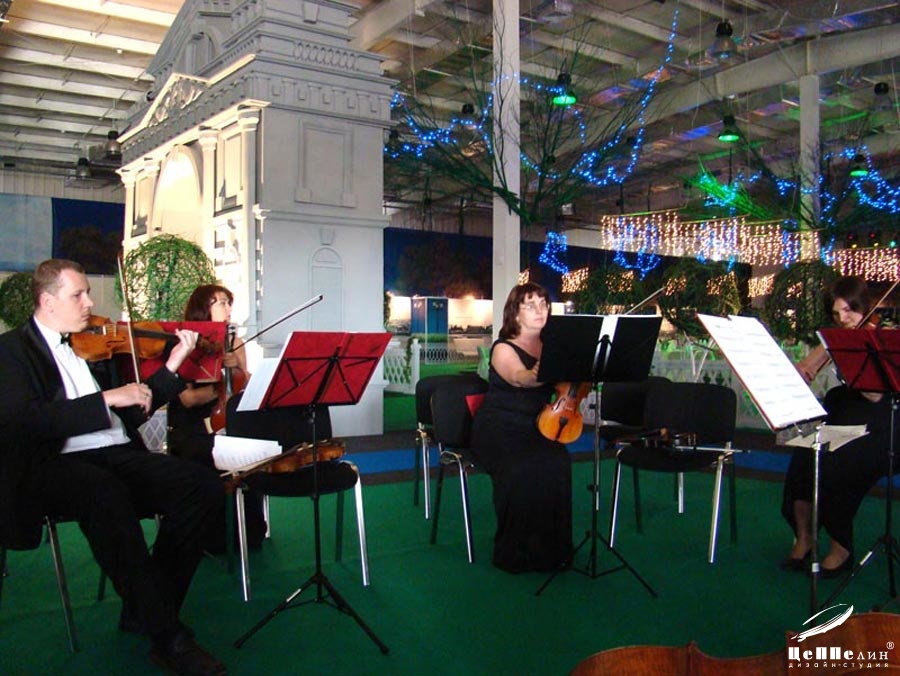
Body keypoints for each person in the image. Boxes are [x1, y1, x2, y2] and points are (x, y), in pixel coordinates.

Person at [0, 259, 226, 676]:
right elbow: (25, 422)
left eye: (88, 293)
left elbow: (133, 410)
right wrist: (106, 398)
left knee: (202, 485)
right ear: (48, 302)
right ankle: (169, 638)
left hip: (117, 452)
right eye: (78, 295)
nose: (90, 303)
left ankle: (147, 607)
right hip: (57, 463)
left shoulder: (93, 346)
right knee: (105, 493)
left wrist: (173, 363)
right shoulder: (11, 351)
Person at [781, 275, 894, 577]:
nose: (843, 319)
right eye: (836, 313)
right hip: (846, 414)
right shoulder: (838, 337)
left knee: (837, 462)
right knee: (805, 454)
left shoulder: (882, 337)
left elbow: (875, 394)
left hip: (882, 422)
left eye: (848, 310)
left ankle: (841, 544)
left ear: (863, 306)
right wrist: (803, 370)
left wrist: (848, 355)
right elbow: (806, 370)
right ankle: (805, 537)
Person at [470, 282, 573, 573]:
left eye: (543, 304)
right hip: (498, 426)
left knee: (558, 462)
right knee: (519, 468)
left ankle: (552, 551)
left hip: (537, 425)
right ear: (515, 313)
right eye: (530, 305)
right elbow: (520, 377)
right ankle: (514, 552)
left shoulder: (553, 345)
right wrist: (539, 371)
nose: (540, 310)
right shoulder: (503, 347)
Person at [166, 284, 266, 550]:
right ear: (203, 309)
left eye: (229, 302)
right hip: (193, 427)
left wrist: (238, 368)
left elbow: (244, 386)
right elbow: (187, 399)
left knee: (253, 449)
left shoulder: (235, 342)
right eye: (221, 302)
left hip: (226, 421)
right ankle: (208, 535)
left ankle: (248, 531)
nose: (228, 307)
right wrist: (219, 384)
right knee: (205, 454)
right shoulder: (185, 343)